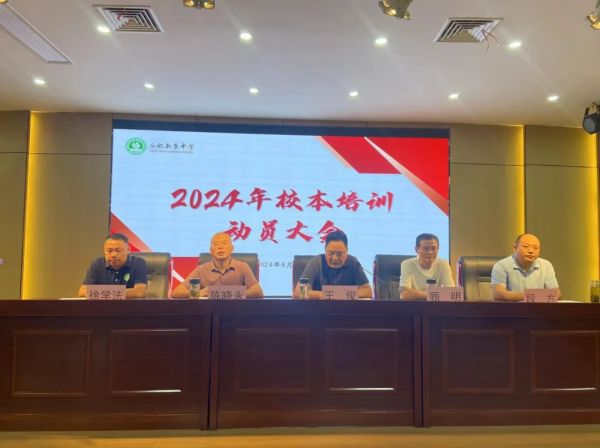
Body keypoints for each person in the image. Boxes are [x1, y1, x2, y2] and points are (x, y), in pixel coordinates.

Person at [172, 232, 263, 298]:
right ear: (211, 251)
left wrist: (231, 293)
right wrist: (198, 293)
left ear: (231, 248)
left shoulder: (242, 267)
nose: (220, 247)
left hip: (235, 312)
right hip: (209, 312)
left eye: (224, 243)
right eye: (216, 244)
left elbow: (257, 291)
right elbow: (177, 292)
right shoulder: (202, 269)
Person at [293, 230, 372, 299]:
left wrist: (343, 295)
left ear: (347, 251)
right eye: (331, 253)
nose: (335, 258)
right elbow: (298, 292)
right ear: (325, 249)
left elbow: (367, 291)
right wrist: (323, 295)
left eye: (339, 254)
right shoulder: (316, 263)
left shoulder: (353, 263)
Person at [491, 233, 560, 301]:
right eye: (526, 246)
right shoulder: (501, 265)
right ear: (515, 248)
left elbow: (556, 294)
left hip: (538, 308)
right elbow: (498, 294)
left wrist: (527, 296)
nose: (531, 251)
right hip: (512, 307)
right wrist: (534, 296)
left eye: (536, 248)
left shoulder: (546, 265)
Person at [78, 233, 147, 298]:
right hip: (103, 306)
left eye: (118, 250)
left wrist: (101, 293)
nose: (113, 255)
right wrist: (114, 293)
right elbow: (82, 291)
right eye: (109, 251)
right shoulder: (98, 264)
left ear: (128, 250)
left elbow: (139, 292)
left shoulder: (138, 263)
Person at [399, 233, 454, 300]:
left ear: (438, 249)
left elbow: (451, 293)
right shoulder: (407, 264)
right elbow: (405, 294)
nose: (430, 252)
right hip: (413, 305)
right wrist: (436, 294)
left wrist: (417, 294)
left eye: (433, 248)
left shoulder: (443, 264)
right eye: (426, 248)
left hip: (435, 305)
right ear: (416, 250)